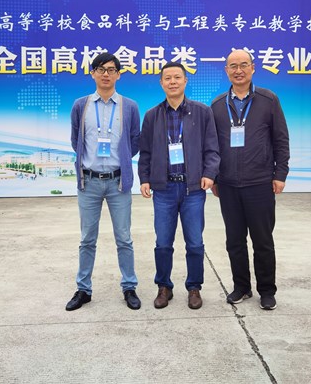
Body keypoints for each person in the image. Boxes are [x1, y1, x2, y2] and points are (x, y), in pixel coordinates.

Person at [210, 49, 290, 310]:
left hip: (260, 183)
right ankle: (241, 287)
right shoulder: (218, 105)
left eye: (243, 65)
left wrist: (280, 174)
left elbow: (280, 139)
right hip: (228, 185)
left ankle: (267, 290)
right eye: (233, 66)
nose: (238, 70)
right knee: (234, 241)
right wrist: (215, 178)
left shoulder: (268, 100)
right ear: (226, 71)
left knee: (263, 241)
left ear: (253, 68)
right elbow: (212, 146)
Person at [138, 62, 220, 310]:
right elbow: (145, 152)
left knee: (194, 243)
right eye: (167, 78)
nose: (172, 82)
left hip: (193, 189)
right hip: (163, 190)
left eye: (177, 77)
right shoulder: (152, 115)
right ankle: (164, 287)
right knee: (163, 243)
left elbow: (212, 149)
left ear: (185, 81)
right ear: (161, 83)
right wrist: (145, 178)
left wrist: (209, 174)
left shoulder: (202, 112)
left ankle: (194, 287)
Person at [67, 52, 142, 311]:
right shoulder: (81, 105)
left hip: (117, 182)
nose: (106, 74)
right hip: (89, 182)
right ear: (92, 74)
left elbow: (134, 141)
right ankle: (83, 289)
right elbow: (76, 140)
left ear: (118, 75)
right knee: (87, 239)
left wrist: (120, 161)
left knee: (124, 238)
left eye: (111, 69)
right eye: (100, 69)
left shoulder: (129, 106)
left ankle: (129, 287)